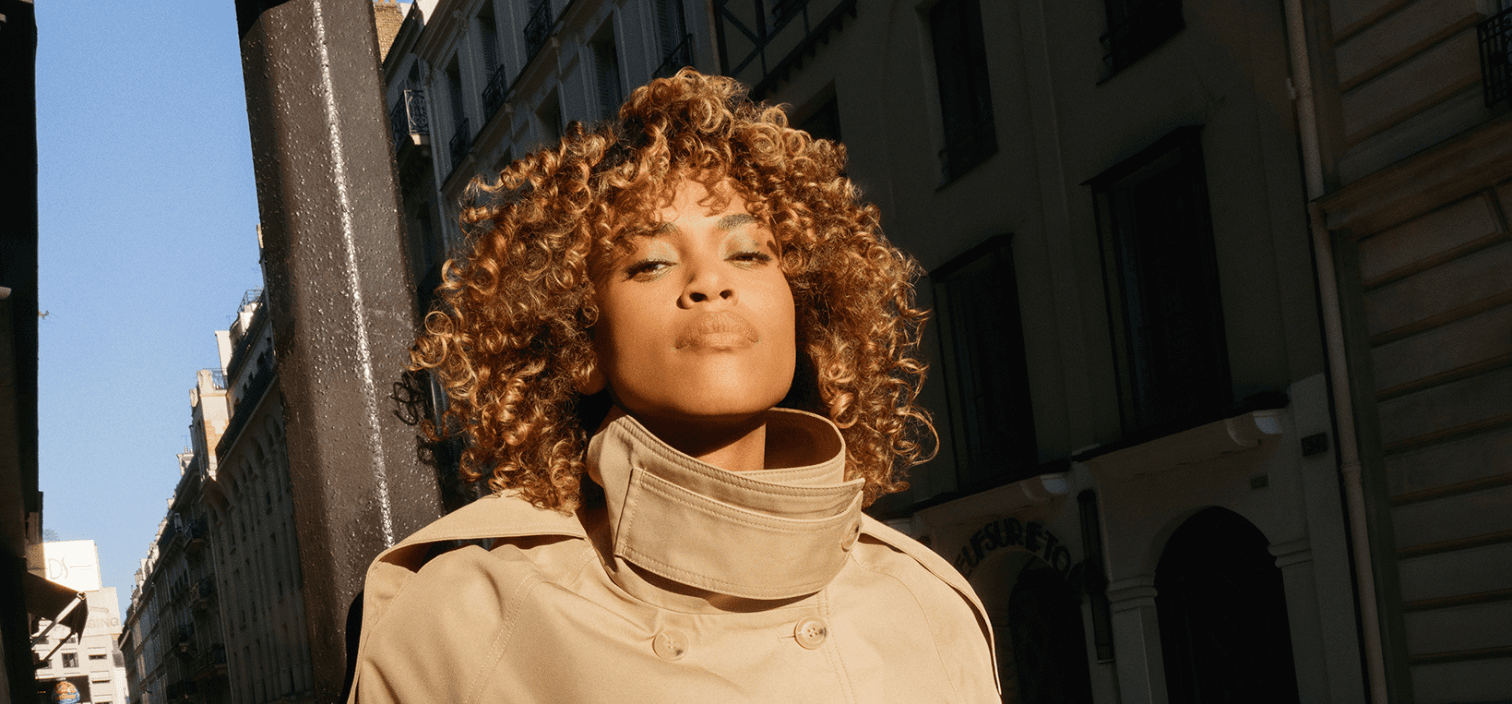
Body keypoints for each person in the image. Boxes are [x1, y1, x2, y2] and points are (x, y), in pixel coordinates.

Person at [345, 69, 998, 703]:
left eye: (748, 254)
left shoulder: (927, 607)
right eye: (651, 262)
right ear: (580, 346)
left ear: (807, 316)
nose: (710, 283)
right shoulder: (458, 628)